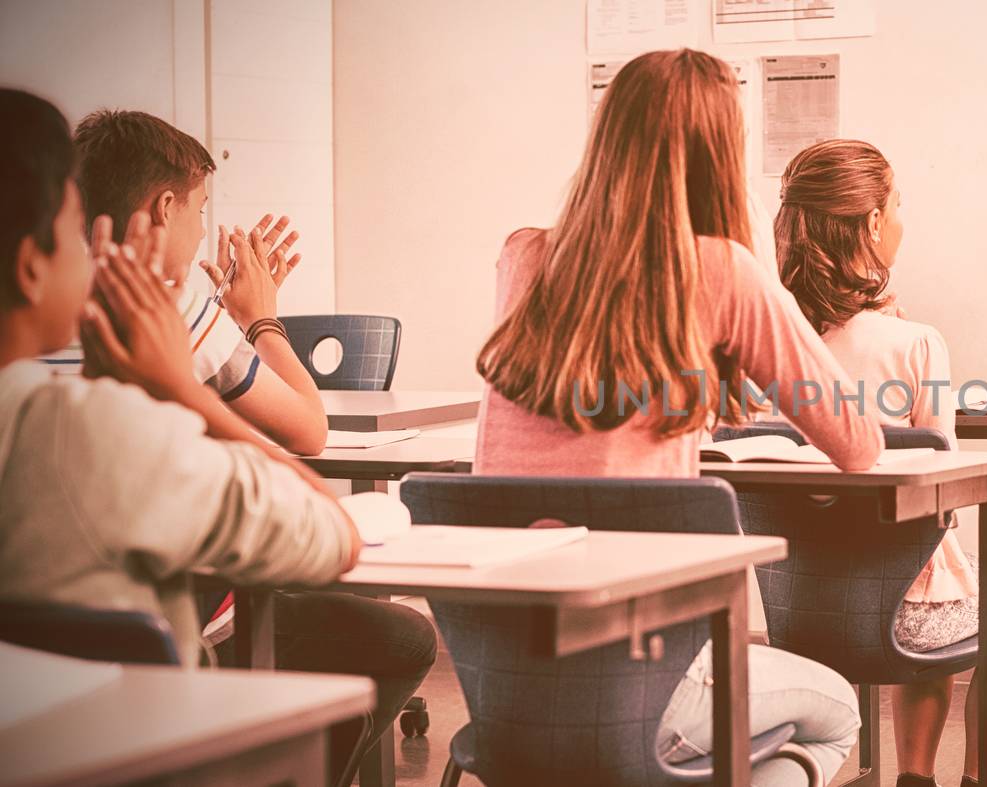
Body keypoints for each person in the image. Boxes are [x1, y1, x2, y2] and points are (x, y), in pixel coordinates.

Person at [473, 49, 885, 786]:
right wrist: (760, 262)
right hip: (650, 680)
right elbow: (858, 442)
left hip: (503, 688)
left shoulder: (522, 255)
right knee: (837, 713)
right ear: (720, 156)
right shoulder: (722, 269)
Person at [0, 87, 388, 784]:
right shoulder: (100, 426)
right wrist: (176, 383)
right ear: (33, 265)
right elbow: (329, 522)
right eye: (69, 221)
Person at [776, 139, 987, 787]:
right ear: (872, 223)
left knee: (922, 571)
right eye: (898, 204)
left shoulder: (760, 336)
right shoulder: (915, 343)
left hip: (792, 607)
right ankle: (980, 777)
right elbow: (940, 493)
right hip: (907, 618)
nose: (902, 218)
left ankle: (915, 776)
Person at [57, 109, 327, 456]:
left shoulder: (41, 313)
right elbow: (310, 432)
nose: (202, 230)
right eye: (200, 209)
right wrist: (260, 320)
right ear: (165, 207)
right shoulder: (179, 313)